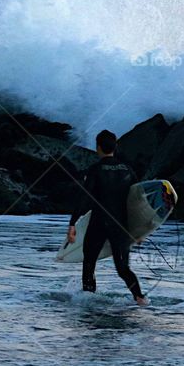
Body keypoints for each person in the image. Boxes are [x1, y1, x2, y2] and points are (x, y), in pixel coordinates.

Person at [66, 129, 148, 305]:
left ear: (98, 148)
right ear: (115, 147)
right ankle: (140, 298)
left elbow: (85, 198)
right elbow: (138, 201)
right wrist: (141, 230)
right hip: (121, 225)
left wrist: (73, 224)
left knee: (89, 263)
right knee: (123, 268)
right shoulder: (128, 170)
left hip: (99, 223)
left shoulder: (95, 170)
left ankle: (88, 300)